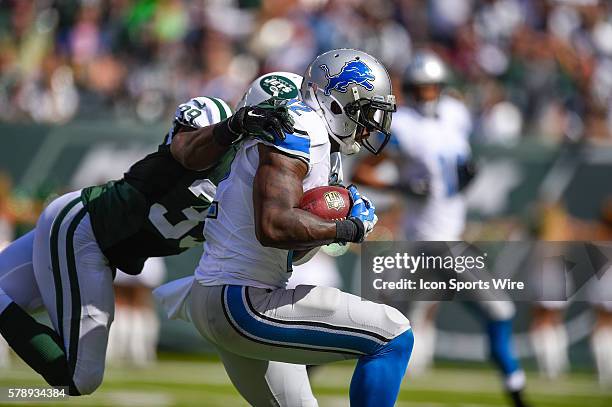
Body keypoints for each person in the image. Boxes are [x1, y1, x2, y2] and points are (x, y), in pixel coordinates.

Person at [157, 49, 414, 407]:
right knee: (393, 336)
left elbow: (291, 250)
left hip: (226, 293)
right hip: (243, 298)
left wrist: (334, 217)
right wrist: (348, 229)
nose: (369, 127)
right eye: (364, 113)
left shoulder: (323, 145)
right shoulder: (302, 125)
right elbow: (274, 226)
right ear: (338, 102)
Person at [0, 95, 294, 395]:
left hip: (96, 243)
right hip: (83, 230)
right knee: (79, 377)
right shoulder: (197, 136)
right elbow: (186, 150)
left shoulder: (255, 179)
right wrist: (233, 126)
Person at [352, 50, 529, 407]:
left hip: (444, 238)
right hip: (428, 243)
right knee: (499, 311)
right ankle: (517, 391)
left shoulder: (455, 116)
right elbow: (362, 172)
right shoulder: (401, 126)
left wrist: (468, 175)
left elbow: (458, 168)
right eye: (420, 88)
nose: (427, 95)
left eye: (432, 88)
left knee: (385, 327)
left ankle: (313, 366)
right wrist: (398, 188)